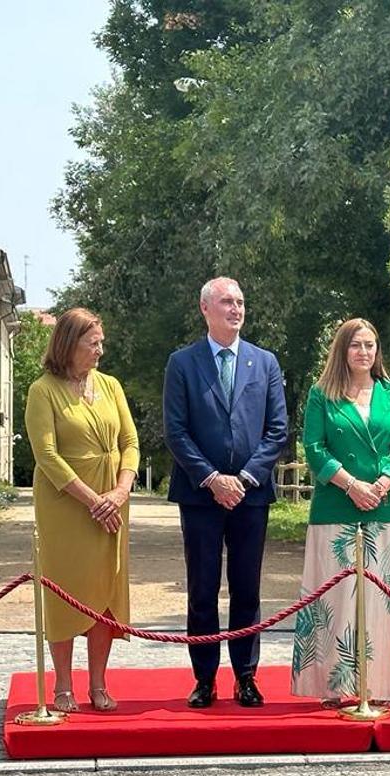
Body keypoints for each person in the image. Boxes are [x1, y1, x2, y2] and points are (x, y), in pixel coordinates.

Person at [163, 277, 288, 708]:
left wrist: (246, 478)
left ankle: (246, 676)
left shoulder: (265, 362)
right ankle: (204, 679)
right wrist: (213, 478)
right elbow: (176, 432)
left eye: (240, 302)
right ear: (205, 310)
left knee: (247, 589)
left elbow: (277, 431)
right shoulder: (182, 363)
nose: (235, 309)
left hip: (251, 497)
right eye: (226, 302)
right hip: (201, 496)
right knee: (202, 589)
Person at [292, 318, 390, 705]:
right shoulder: (322, 394)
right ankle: (335, 686)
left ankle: (385, 685)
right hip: (336, 506)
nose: (363, 352)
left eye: (370, 345)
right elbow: (315, 449)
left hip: (385, 507)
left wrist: (381, 485)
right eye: (355, 345)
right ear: (342, 350)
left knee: (383, 599)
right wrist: (352, 485)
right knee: (339, 598)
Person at [25, 307, 139, 714]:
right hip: (67, 506)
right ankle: (62, 684)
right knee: (66, 590)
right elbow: (47, 455)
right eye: (93, 344)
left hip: (112, 501)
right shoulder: (43, 389)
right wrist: (94, 501)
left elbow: (130, 441)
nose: (100, 351)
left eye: (101, 343)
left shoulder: (110, 386)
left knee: (105, 591)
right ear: (69, 345)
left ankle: (98, 682)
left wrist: (120, 492)